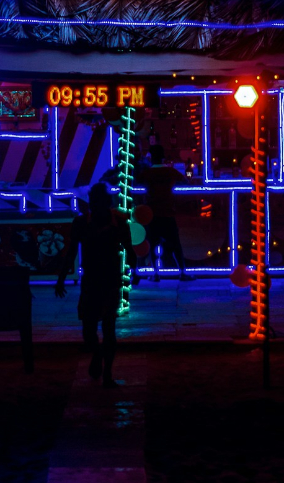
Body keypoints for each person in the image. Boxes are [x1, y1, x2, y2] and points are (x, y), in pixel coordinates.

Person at [56, 182, 131, 388]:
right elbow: (130, 250)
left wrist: (62, 277)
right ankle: (103, 365)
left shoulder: (86, 223)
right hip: (104, 279)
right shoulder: (110, 223)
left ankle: (105, 370)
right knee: (101, 329)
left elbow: (72, 251)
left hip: (101, 280)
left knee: (100, 328)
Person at [136, 144, 194, 281]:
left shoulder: (146, 173)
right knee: (175, 244)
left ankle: (155, 274)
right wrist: (188, 172)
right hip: (168, 213)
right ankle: (183, 272)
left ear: (150, 157)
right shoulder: (171, 172)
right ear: (163, 157)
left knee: (152, 244)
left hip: (152, 214)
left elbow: (136, 184)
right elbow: (186, 181)